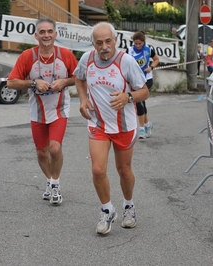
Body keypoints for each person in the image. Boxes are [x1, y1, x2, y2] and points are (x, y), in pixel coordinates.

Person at [73, 22, 149, 235]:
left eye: (108, 41)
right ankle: (107, 210)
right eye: (99, 42)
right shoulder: (87, 59)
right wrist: (82, 99)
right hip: (98, 123)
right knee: (98, 169)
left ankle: (129, 205)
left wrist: (128, 97)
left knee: (123, 170)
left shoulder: (126, 61)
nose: (104, 46)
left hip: (124, 126)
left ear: (115, 40)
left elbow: (144, 91)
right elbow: (78, 78)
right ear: (93, 44)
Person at [7, 18, 78, 205]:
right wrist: (33, 82)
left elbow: (79, 77)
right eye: (42, 32)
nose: (46, 35)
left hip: (59, 108)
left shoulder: (66, 54)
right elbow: (11, 82)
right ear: (36, 35)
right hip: (37, 110)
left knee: (55, 148)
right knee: (41, 153)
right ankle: (50, 180)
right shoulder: (27, 56)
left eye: (49, 31)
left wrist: (64, 82)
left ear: (55, 34)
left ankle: (55, 184)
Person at [126, 30, 159, 139]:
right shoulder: (129, 50)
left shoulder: (148, 50)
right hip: (135, 80)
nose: (138, 45)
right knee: (141, 103)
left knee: (139, 101)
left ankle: (140, 129)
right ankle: (147, 124)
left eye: (140, 43)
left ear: (144, 42)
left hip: (147, 79)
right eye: (136, 43)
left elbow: (156, 59)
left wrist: (151, 67)